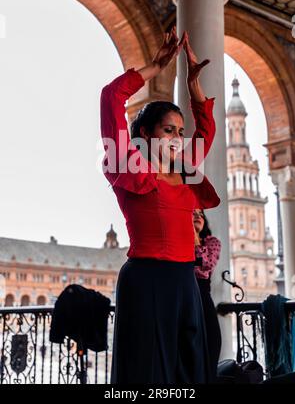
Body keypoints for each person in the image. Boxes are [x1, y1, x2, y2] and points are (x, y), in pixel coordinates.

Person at [100, 25, 220, 384]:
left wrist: (192, 85)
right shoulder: (129, 169)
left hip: (186, 282)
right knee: (149, 375)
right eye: (168, 130)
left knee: (190, 371)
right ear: (146, 135)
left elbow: (206, 131)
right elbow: (111, 97)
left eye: (179, 132)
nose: (177, 138)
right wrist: (156, 66)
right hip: (147, 279)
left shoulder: (185, 172)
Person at [193, 208, 222, 382]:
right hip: (184, 296)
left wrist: (194, 238)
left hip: (203, 297)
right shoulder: (178, 242)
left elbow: (205, 266)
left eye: (201, 214)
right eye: (193, 213)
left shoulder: (212, 243)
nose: (198, 216)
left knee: (212, 342)